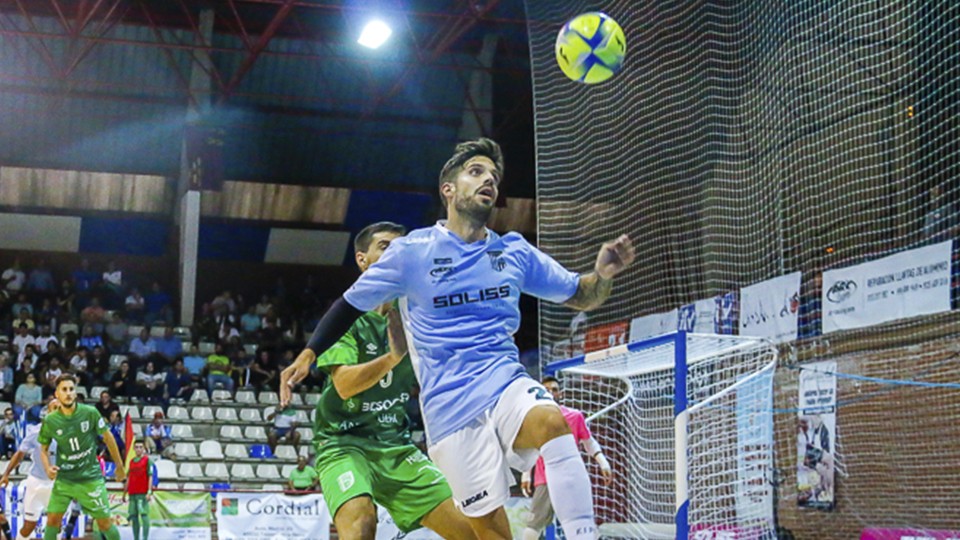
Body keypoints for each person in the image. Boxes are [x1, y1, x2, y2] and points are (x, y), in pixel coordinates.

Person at [282, 138, 635, 540]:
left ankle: (583, 534)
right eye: (476, 172)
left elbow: (581, 294)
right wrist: (310, 351)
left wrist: (602, 274)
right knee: (487, 532)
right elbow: (349, 304)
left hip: (504, 381)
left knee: (551, 421)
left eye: (494, 177)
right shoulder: (412, 251)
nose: (489, 181)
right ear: (448, 189)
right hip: (448, 411)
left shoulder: (514, 252)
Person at [284, 221, 475, 540]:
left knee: (474, 531)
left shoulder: (421, 317)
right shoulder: (346, 320)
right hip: (343, 443)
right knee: (361, 525)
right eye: (386, 246)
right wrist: (392, 358)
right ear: (362, 260)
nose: (397, 253)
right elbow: (344, 386)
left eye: (403, 247)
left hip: (394, 445)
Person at [520, 376, 612, 540]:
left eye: (554, 389)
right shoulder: (536, 420)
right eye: (547, 390)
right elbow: (530, 450)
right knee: (533, 529)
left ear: (560, 394)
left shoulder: (574, 416)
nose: (551, 392)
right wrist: (526, 475)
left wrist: (603, 463)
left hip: (572, 478)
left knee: (584, 528)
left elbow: (589, 442)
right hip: (545, 480)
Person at [38, 374, 126, 540]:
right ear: (57, 394)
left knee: (104, 524)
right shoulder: (50, 420)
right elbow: (43, 449)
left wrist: (120, 467)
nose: (69, 393)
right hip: (65, 479)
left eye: (71, 389)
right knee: (52, 520)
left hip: (90, 478)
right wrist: (48, 467)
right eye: (64, 389)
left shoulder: (90, 413)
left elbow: (109, 438)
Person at [0, 399, 60, 540]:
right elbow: (19, 454)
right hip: (36, 482)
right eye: (55, 407)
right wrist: (6, 474)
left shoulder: (70, 432)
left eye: (61, 407)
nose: (58, 410)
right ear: (48, 412)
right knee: (29, 526)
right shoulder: (36, 431)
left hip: (58, 484)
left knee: (56, 525)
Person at [122, 441, 153, 540]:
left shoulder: (147, 460)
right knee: (134, 516)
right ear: (134, 449)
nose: (138, 449)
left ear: (144, 449)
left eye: (140, 447)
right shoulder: (131, 462)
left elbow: (151, 476)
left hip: (142, 493)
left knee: (144, 515)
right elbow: (129, 478)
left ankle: (145, 538)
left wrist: (149, 491)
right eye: (136, 447)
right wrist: (124, 492)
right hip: (132, 493)